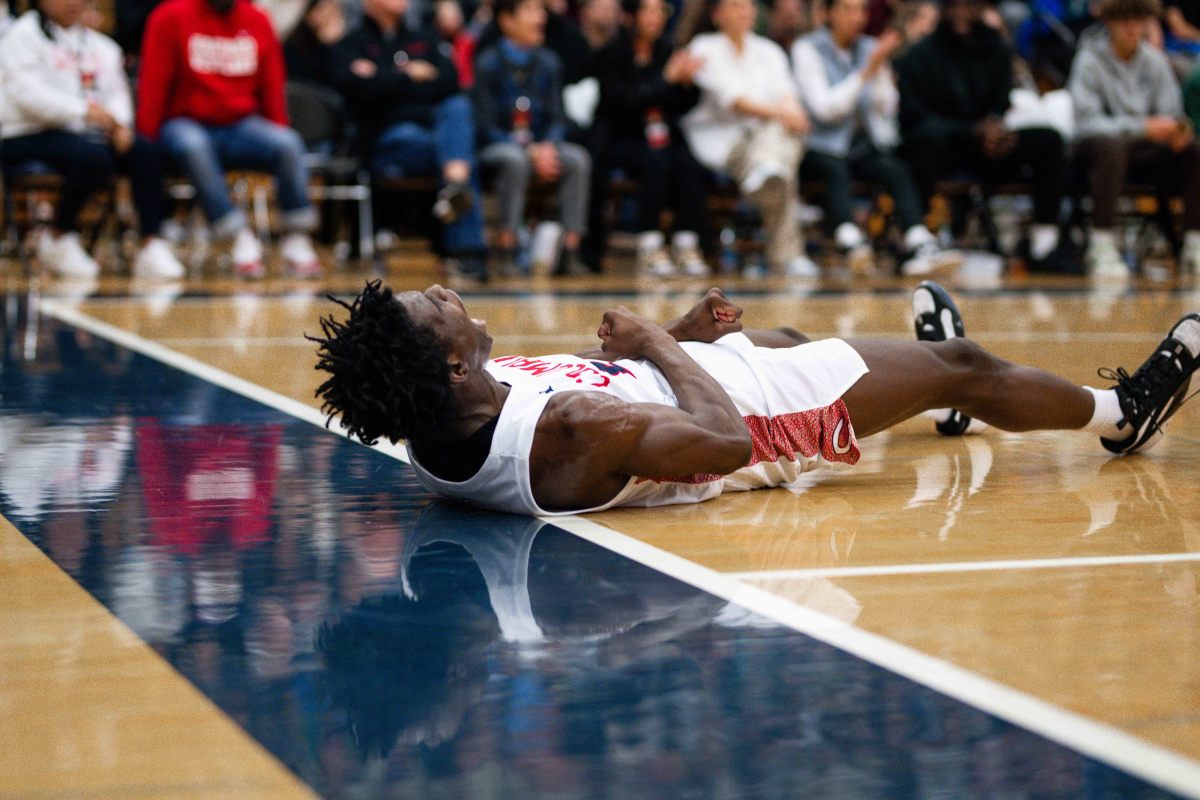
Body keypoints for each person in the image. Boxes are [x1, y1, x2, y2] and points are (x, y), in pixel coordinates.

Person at [310, 279, 1199, 515]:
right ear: (454, 367)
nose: (446, 296)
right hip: (753, 421)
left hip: (693, 382)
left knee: (790, 338)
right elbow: (728, 445)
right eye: (438, 312)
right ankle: (1123, 413)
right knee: (964, 357)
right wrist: (662, 342)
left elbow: (580, 377)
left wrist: (678, 334)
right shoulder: (572, 432)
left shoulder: (440, 420)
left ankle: (933, 399)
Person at [0, 0, 186, 280]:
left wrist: (120, 124)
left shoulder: (102, 46)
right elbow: (27, 96)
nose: (73, 2)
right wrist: (86, 112)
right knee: (92, 156)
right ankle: (59, 234)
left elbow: (116, 92)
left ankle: (150, 242)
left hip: (87, 135)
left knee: (144, 150)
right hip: (26, 133)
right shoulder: (20, 37)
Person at [137, 0, 323, 278]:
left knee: (288, 143)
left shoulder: (257, 19)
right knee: (194, 145)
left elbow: (272, 83)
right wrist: (145, 140)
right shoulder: (170, 15)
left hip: (240, 123)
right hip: (185, 120)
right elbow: (154, 79)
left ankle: (296, 238)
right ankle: (238, 236)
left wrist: (278, 126)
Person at [895, 0, 1073, 271]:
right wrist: (970, 131)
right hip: (943, 148)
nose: (962, 12)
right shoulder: (920, 55)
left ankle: (1043, 243)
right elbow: (913, 119)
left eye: (969, 6)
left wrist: (996, 129)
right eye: (955, 6)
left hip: (988, 148)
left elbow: (1001, 102)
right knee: (922, 142)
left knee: (1048, 140)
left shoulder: (998, 49)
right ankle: (919, 240)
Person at [792, 0, 955, 276]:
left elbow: (886, 107)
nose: (858, 17)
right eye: (848, 9)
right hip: (817, 143)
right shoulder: (806, 48)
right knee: (834, 171)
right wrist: (867, 71)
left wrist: (881, 78)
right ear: (829, 13)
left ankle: (918, 242)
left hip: (860, 143)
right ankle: (851, 244)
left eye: (862, 10)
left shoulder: (869, 48)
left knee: (894, 169)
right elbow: (825, 109)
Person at [333, 0, 489, 281]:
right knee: (458, 152)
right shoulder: (350, 44)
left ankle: (455, 182)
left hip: (432, 135)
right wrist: (409, 75)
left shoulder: (422, 37)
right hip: (385, 140)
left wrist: (385, 77)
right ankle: (466, 250)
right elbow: (360, 91)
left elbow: (451, 81)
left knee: (457, 108)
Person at [681, 0, 819, 278]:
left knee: (784, 144)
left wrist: (795, 114)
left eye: (749, 6)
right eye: (736, 5)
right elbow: (735, 101)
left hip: (768, 135)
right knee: (781, 147)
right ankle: (788, 255)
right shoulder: (703, 47)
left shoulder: (769, 50)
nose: (746, 12)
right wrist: (783, 114)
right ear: (717, 14)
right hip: (723, 142)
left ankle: (766, 172)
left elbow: (786, 92)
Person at [1068, 0, 1200, 278]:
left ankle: (1194, 243)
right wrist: (1142, 127)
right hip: (1096, 152)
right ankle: (1101, 244)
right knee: (1110, 145)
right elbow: (1087, 122)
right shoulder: (1088, 60)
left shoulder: (1155, 61)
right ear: (1109, 22)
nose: (1131, 27)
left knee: (1193, 149)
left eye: (1137, 19)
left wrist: (1177, 131)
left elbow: (1171, 113)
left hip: (1146, 153)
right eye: (1123, 20)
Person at [472, 0, 593, 276]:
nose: (540, 18)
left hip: (541, 146)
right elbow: (485, 125)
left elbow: (558, 117)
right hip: (499, 146)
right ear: (506, 20)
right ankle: (506, 248)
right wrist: (529, 150)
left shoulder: (549, 61)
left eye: (540, 10)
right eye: (530, 10)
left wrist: (547, 146)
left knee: (577, 159)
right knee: (515, 160)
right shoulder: (488, 63)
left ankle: (570, 250)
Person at [594, 0, 712, 276]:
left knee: (685, 160)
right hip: (623, 136)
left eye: (660, 11)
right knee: (655, 160)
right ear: (630, 16)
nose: (655, 18)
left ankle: (686, 241)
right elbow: (619, 103)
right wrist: (666, 81)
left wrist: (687, 83)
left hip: (661, 134)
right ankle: (650, 242)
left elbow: (683, 105)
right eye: (647, 10)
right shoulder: (612, 54)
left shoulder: (667, 51)